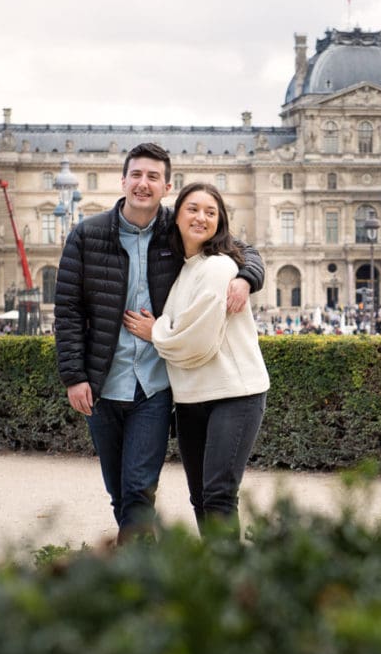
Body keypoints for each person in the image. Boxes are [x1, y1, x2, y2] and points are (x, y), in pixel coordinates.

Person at [54, 143, 264, 545]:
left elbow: (240, 249)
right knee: (120, 491)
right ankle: (143, 561)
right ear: (123, 180)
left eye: (153, 177)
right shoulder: (87, 233)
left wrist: (246, 277)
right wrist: (74, 375)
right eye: (136, 175)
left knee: (138, 488)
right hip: (102, 383)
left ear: (167, 186)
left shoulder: (177, 227)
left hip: (154, 384)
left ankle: (139, 574)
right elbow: (67, 309)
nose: (143, 184)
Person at [126, 182, 269, 538]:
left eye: (210, 211)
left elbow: (196, 343)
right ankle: (215, 577)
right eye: (192, 209)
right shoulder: (185, 269)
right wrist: (168, 331)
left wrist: (156, 331)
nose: (201, 217)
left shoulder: (219, 268)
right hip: (191, 398)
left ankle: (230, 584)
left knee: (219, 496)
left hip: (234, 394)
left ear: (220, 222)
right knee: (201, 498)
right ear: (175, 218)